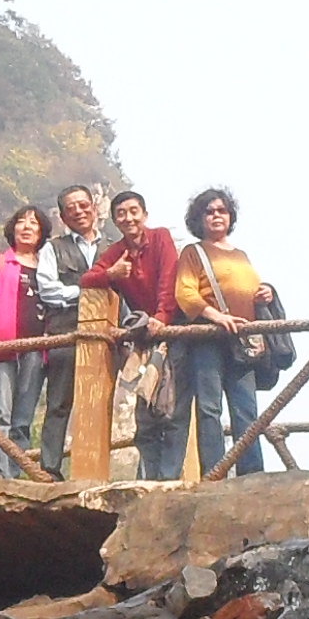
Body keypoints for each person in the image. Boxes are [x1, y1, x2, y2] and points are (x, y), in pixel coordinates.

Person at [169, 184, 275, 478]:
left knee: (246, 408)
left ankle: (252, 471)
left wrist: (264, 292)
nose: (216, 216)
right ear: (199, 219)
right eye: (209, 211)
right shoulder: (194, 252)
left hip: (243, 339)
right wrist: (214, 316)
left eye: (222, 211)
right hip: (208, 338)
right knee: (209, 407)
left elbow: (248, 288)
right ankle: (215, 471)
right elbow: (186, 293)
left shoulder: (241, 255)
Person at [91, 189, 186, 478]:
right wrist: (111, 274)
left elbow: (169, 277)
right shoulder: (116, 252)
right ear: (115, 220)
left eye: (134, 211)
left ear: (144, 214)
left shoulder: (160, 238)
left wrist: (162, 316)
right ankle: (150, 474)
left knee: (172, 405)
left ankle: (168, 477)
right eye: (121, 213)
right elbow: (88, 277)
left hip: (175, 330)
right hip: (144, 337)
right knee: (143, 406)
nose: (128, 218)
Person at [28, 183, 106, 470]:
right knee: (59, 403)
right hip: (64, 335)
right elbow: (47, 290)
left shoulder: (113, 248)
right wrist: (90, 290)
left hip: (107, 337)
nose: (79, 211)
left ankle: (96, 469)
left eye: (83, 205)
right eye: (71, 208)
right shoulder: (54, 248)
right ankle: (49, 470)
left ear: (95, 208)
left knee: (100, 403)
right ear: (62, 216)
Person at [0, 204, 47, 473]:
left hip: (37, 350)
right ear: (12, 228)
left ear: (42, 232)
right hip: (0, 348)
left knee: (23, 418)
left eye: (34, 222)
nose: (27, 226)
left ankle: (15, 476)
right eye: (21, 221)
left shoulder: (47, 266)